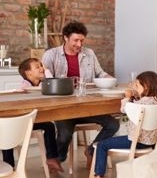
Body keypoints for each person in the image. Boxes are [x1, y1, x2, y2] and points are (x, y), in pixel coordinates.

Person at [42, 20, 119, 168]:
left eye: (82, 40)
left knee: (113, 124)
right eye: (75, 40)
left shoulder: (89, 54)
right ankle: (59, 158)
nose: (79, 44)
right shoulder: (50, 55)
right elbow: (46, 82)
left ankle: (91, 151)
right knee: (65, 135)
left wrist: (108, 78)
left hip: (87, 105)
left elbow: (100, 73)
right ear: (65, 37)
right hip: (64, 107)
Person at [80, 71, 157, 178]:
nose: (135, 88)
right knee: (104, 143)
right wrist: (134, 98)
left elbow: (124, 109)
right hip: (151, 142)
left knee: (101, 145)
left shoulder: (139, 104)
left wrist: (127, 97)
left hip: (136, 142)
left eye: (137, 86)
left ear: (145, 87)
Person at [2, 58, 63, 172]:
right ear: (28, 73)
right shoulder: (25, 87)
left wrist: (46, 72)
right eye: (37, 67)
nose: (42, 69)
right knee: (7, 132)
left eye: (41, 66)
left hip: (31, 121)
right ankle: (9, 166)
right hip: (18, 122)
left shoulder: (42, 83)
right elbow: (48, 85)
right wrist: (47, 74)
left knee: (49, 126)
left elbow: (52, 84)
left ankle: (51, 157)